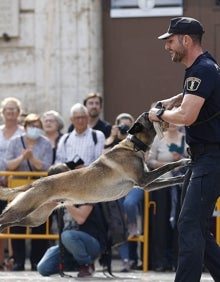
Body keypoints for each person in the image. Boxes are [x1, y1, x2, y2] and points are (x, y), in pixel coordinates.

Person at [149, 17, 220, 282]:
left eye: (170, 40)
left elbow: (188, 115)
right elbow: (198, 97)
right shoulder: (202, 67)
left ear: (186, 40)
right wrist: (175, 98)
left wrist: (159, 114)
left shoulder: (202, 69)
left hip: (211, 158)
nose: (167, 46)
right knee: (196, 226)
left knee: (189, 225)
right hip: (202, 158)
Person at [37, 165, 106, 278]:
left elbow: (81, 219)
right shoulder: (57, 196)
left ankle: (86, 264)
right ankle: (77, 264)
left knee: (67, 235)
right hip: (68, 245)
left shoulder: (85, 191)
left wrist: (65, 201)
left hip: (91, 243)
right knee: (43, 268)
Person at [5, 113, 53, 271]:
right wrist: (22, 158)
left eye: (38, 126)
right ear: (25, 127)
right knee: (16, 222)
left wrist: (32, 158)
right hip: (19, 186)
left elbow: (47, 167)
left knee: (39, 222)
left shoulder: (46, 143)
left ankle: (36, 260)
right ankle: (18, 260)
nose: (35, 129)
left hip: (39, 187)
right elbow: (9, 165)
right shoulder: (14, 142)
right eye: (32, 126)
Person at [104, 113, 144, 272]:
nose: (125, 130)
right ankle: (126, 260)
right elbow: (102, 157)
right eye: (122, 127)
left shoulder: (139, 140)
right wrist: (113, 137)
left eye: (128, 126)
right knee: (118, 222)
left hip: (134, 184)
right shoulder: (113, 142)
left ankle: (134, 225)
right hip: (117, 186)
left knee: (129, 204)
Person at [146, 124, 187, 272]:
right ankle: (160, 261)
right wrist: (170, 164)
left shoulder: (185, 138)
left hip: (181, 185)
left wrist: (181, 160)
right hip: (162, 185)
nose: (172, 123)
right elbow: (150, 162)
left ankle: (178, 261)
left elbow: (193, 159)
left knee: (180, 224)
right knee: (160, 224)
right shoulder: (158, 138)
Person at [0, 97, 24, 270]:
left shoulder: (24, 132)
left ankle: (14, 259)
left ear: (18, 112)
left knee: (13, 221)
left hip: (19, 182)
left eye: (13, 109)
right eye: (7, 109)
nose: (10, 112)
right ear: (2, 112)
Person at [56, 103, 105, 167]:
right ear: (71, 120)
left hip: (90, 175)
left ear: (88, 118)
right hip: (69, 175)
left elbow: (100, 161)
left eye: (83, 117)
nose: (80, 121)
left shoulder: (98, 136)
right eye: (77, 118)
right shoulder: (64, 138)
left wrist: (84, 168)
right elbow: (59, 161)